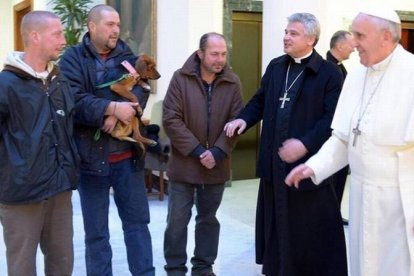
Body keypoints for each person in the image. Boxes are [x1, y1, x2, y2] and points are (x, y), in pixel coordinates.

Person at [286, 8, 414, 276]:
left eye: (360, 35)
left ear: (387, 37)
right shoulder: (356, 76)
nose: (353, 42)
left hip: (399, 200)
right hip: (360, 193)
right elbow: (343, 137)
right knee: (362, 263)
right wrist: (315, 166)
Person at [224, 13, 347, 275]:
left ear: (311, 39)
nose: (286, 37)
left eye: (293, 33)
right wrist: (243, 120)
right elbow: (259, 100)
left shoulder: (328, 74)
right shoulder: (277, 66)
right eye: (286, 31)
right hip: (274, 162)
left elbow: (332, 119)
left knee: (304, 228)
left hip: (308, 166)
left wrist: (305, 144)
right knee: (276, 222)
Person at [59, 4, 154, 276]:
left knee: (137, 226)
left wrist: (125, 110)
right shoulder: (73, 59)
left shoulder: (128, 56)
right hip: (91, 162)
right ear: (92, 26)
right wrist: (110, 109)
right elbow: (72, 100)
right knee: (96, 234)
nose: (116, 30)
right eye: (110, 24)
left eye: (118, 24)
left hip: (127, 160)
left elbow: (142, 90)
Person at [0, 11, 79, 275]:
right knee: (22, 267)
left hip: (59, 189)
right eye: (56, 34)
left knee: (62, 263)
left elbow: (69, 124)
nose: (63, 39)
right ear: (35, 36)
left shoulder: (60, 80)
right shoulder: (5, 85)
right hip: (22, 195)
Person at [162, 32, 243, 276]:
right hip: (185, 164)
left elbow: (237, 121)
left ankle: (203, 268)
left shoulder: (233, 82)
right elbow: (171, 119)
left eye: (223, 54)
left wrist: (218, 151)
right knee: (177, 222)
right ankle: (175, 269)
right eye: (214, 54)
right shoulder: (180, 78)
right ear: (200, 54)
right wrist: (199, 151)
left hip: (216, 165)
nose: (220, 59)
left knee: (208, 220)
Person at [326, 30, 355, 225]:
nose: (353, 48)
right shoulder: (328, 68)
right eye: (351, 44)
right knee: (331, 178)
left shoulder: (340, 67)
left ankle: (334, 212)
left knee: (340, 177)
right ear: (340, 45)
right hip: (332, 133)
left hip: (343, 131)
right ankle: (329, 215)